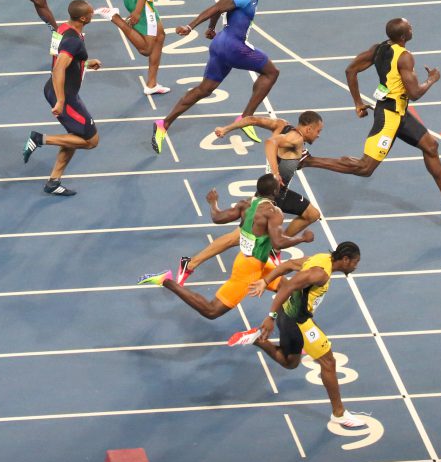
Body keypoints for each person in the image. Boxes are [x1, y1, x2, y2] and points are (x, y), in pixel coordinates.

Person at [302, 18, 441, 215]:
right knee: (365, 168)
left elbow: (350, 69)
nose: (412, 27)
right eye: (409, 27)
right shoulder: (404, 57)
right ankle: (308, 161)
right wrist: (431, 79)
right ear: (403, 36)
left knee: (431, 146)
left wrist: (358, 103)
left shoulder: (379, 48)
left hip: (398, 113)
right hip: (390, 117)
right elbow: (415, 94)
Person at [171, 112, 325, 285]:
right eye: (318, 131)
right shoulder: (294, 139)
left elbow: (252, 120)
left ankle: (274, 248)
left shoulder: (281, 124)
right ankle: (190, 264)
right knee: (235, 238)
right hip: (269, 198)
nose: (319, 135)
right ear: (308, 128)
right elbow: (270, 142)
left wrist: (226, 128)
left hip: (279, 193)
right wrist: (275, 172)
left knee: (312, 214)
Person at [136, 175, 315, 322]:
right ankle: (166, 281)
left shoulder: (245, 205)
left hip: (254, 263)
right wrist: (301, 239)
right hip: (249, 270)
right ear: (276, 191)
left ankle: (298, 333)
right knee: (211, 311)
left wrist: (213, 203)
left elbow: (218, 218)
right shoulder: (274, 213)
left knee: (291, 289)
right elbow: (277, 243)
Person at [228, 242, 367, 429]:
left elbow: (287, 265)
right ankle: (339, 414)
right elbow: (287, 287)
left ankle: (258, 339)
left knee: (290, 362)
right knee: (329, 362)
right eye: (355, 262)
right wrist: (270, 316)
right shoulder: (320, 273)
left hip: (289, 315)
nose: (356, 266)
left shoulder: (321, 258)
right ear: (345, 259)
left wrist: (265, 281)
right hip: (297, 321)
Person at [151, 0, 281, 154]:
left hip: (220, 45)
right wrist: (190, 26)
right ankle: (246, 118)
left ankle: (164, 123)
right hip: (233, 47)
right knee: (271, 72)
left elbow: (221, 6)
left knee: (204, 90)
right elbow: (216, 7)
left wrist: (212, 28)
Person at [21, 0, 102, 196]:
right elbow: (58, 68)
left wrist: (86, 63)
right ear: (83, 18)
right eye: (91, 13)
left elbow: (60, 57)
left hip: (59, 91)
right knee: (91, 141)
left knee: (74, 137)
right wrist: (61, 101)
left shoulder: (63, 28)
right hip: (65, 97)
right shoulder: (73, 40)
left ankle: (53, 182)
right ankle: (40, 139)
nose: (93, 15)